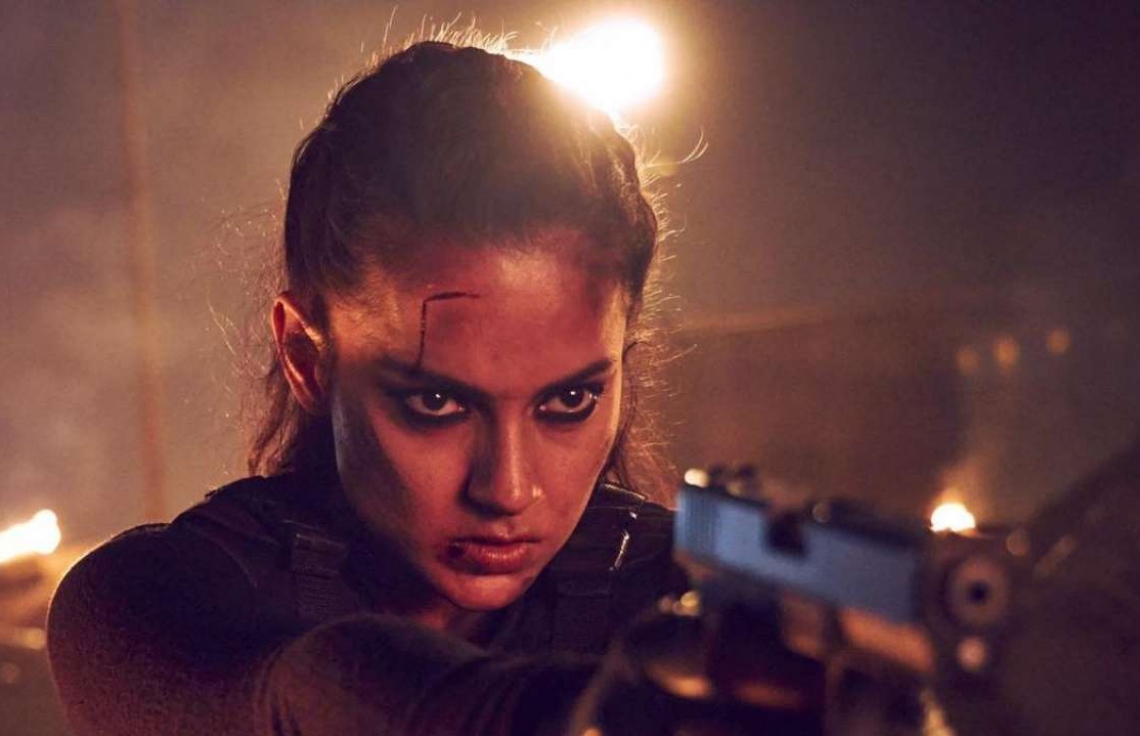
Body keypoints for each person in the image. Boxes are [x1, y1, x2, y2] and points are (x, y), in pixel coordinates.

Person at [47, 38, 687, 736]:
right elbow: (314, 691)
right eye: (436, 403)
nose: (507, 490)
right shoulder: (151, 601)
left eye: (569, 401)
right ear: (305, 355)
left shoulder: (683, 592)